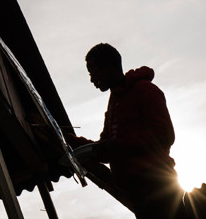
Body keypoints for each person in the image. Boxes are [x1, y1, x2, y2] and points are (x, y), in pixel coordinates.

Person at [72, 43, 185, 219]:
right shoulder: (114, 102)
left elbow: (165, 135)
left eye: (93, 72)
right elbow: (105, 149)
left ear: (109, 66)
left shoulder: (144, 90)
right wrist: (70, 141)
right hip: (138, 194)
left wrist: (116, 146)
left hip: (160, 189)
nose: (92, 79)